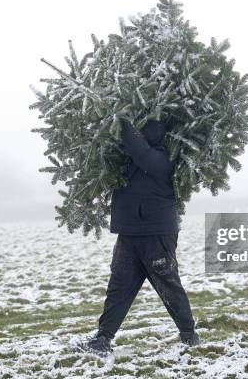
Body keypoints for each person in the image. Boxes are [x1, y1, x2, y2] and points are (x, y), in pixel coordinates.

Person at [80, 117, 200, 355]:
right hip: (130, 233)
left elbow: (141, 152)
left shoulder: (162, 159)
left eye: (143, 131)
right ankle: (103, 338)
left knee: (168, 286)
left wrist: (120, 119)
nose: (139, 135)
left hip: (156, 234)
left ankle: (189, 335)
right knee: (118, 288)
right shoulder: (131, 158)